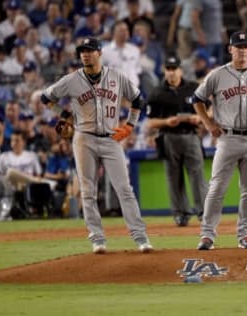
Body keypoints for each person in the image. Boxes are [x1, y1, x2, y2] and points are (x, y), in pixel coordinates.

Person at [41, 37, 153, 254]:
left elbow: (139, 100)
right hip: (84, 138)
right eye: (82, 51)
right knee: (88, 191)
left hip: (112, 138)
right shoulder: (71, 80)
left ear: (100, 53)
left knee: (124, 189)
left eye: (90, 50)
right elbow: (46, 98)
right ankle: (97, 239)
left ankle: (140, 237)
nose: (85, 54)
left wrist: (130, 125)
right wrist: (64, 115)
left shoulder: (117, 77)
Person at [192, 31, 247, 250]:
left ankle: (245, 235)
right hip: (227, 137)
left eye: (245, 46)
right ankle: (207, 235)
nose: (242, 50)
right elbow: (197, 99)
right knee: (216, 189)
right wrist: (208, 123)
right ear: (230, 49)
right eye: (238, 46)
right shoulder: (217, 75)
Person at [147, 55, 208, 227]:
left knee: (198, 175)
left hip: (191, 135)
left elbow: (210, 110)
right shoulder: (157, 92)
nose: (172, 72)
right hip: (168, 137)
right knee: (174, 178)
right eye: (169, 69)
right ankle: (180, 213)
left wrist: (199, 117)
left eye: (174, 69)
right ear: (165, 71)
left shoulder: (193, 88)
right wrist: (166, 122)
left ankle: (203, 212)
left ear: (181, 70)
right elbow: (151, 121)